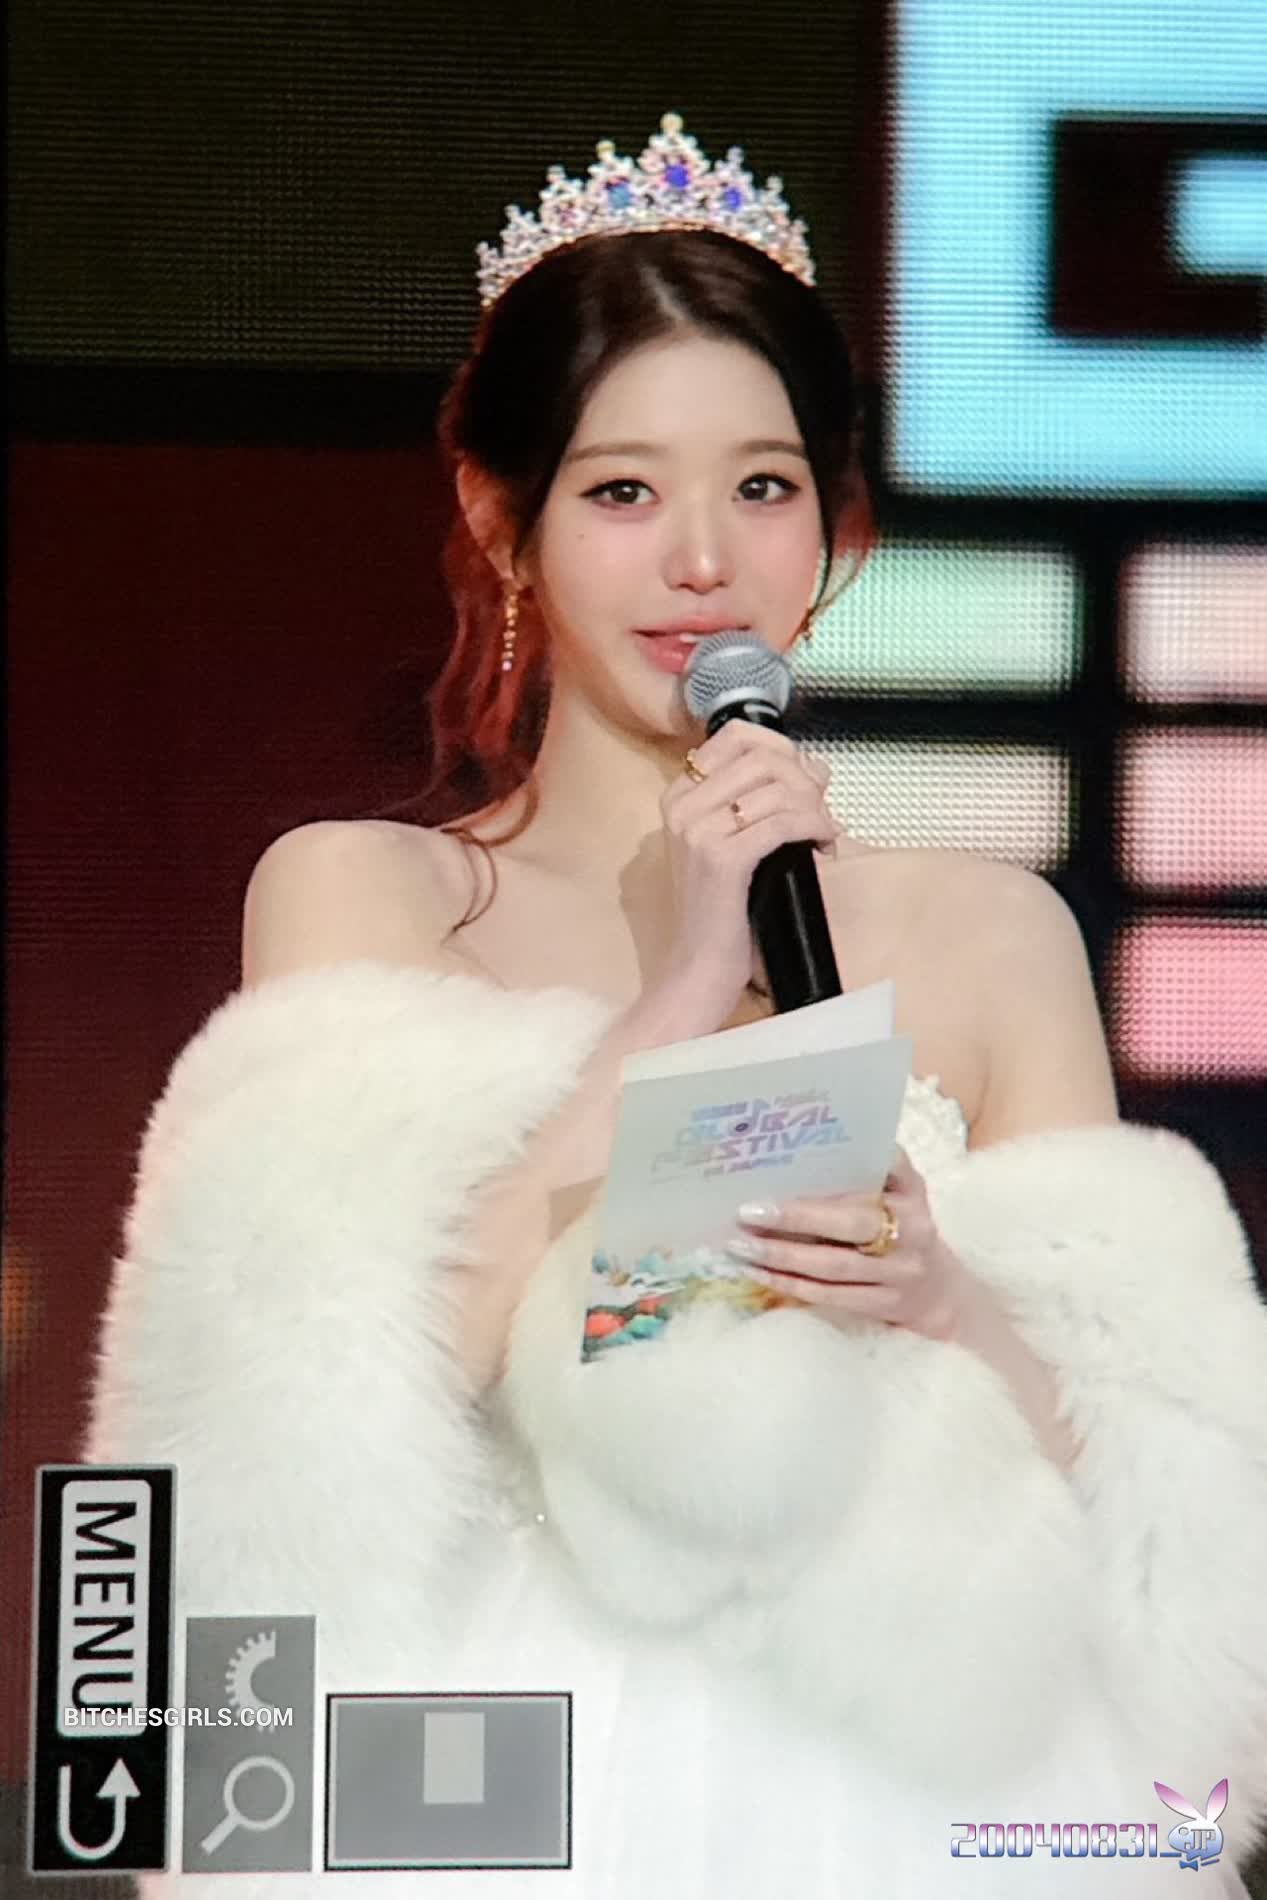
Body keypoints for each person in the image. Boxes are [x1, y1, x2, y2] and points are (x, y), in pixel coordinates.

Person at [87, 115, 1267, 1897]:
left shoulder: (989, 934)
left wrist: (945, 1299)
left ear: (834, 524)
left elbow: (1174, 1509)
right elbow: (298, 1417)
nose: (703, 560)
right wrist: (688, 993)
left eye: (764, 488)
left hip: (924, 1790)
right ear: (503, 518)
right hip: (494, 1784)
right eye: (625, 492)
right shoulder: (371, 894)